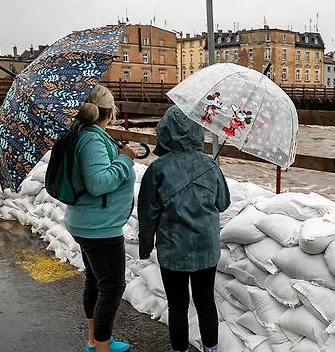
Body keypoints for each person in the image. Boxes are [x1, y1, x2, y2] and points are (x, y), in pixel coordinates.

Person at [138, 106, 230, 352]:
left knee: (177, 305)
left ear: (165, 132)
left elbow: (147, 214)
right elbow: (223, 202)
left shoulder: (157, 169)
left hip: (173, 249)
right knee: (205, 301)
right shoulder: (210, 166)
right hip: (206, 248)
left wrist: (145, 247)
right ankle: (211, 349)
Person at [64, 85, 137, 352]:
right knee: (112, 288)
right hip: (99, 228)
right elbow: (98, 183)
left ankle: (95, 342)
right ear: (109, 111)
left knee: (95, 281)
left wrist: (117, 154)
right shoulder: (91, 139)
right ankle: (101, 348)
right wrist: (126, 160)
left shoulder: (86, 134)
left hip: (88, 221)